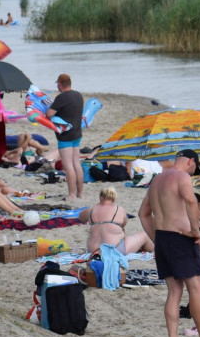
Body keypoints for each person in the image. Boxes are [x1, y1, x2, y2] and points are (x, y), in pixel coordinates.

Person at [138, 149, 200, 337]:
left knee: (174, 291)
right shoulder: (182, 176)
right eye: (195, 167)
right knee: (195, 288)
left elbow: (144, 214)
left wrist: (156, 238)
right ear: (191, 162)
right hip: (180, 239)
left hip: (163, 239)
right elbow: (191, 200)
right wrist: (195, 231)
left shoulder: (157, 180)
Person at [79, 186, 154, 255]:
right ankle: (152, 251)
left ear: (100, 197)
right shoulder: (119, 209)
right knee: (145, 234)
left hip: (93, 252)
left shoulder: (92, 209)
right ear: (114, 198)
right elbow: (124, 224)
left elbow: (81, 217)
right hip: (115, 250)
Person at [48, 73, 85, 201]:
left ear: (60, 84)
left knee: (68, 165)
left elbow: (49, 114)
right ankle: (80, 193)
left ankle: (72, 195)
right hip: (77, 134)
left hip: (65, 136)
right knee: (76, 164)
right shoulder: (78, 95)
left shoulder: (61, 98)